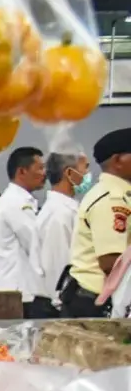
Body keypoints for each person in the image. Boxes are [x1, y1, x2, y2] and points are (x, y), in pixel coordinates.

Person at [61, 128, 131, 318]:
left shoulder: (121, 195)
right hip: (95, 305)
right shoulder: (112, 200)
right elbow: (112, 264)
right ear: (117, 161)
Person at [0, 147, 54, 318]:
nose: (44, 174)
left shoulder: (21, 200)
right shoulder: (15, 202)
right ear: (22, 171)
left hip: (23, 292)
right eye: (40, 168)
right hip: (21, 294)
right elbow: (36, 243)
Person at [36, 152, 89, 304]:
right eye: (85, 168)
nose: (87, 175)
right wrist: (60, 303)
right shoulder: (58, 214)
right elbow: (57, 264)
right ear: (69, 173)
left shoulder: (68, 208)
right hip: (61, 304)